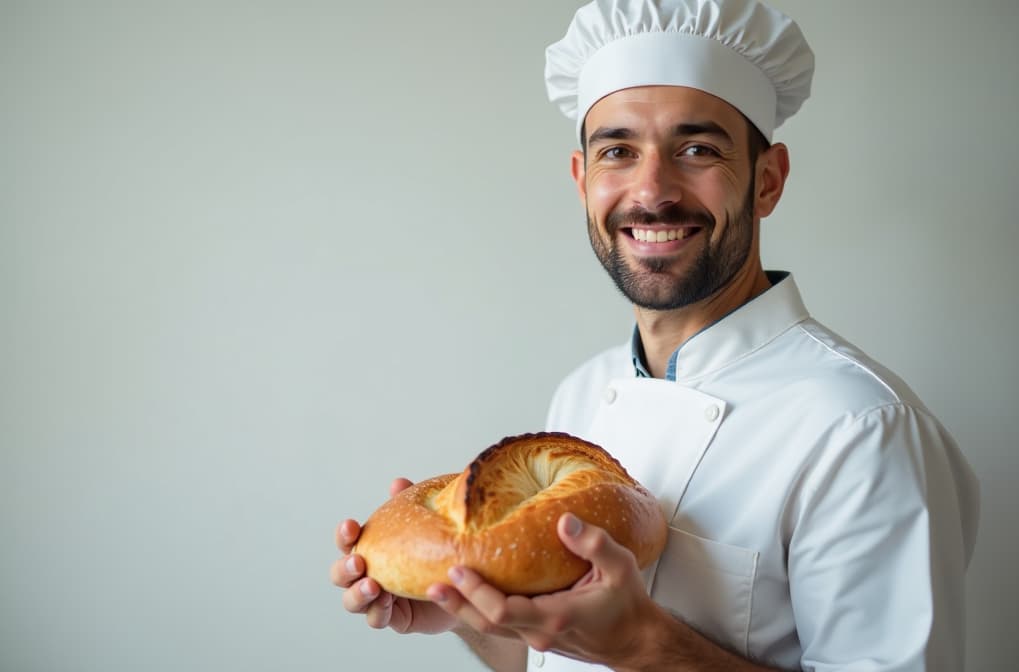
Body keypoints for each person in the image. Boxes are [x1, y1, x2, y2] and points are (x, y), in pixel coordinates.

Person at [331, 0, 980, 669]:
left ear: (768, 180)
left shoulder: (860, 427)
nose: (652, 190)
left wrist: (646, 645)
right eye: (618, 151)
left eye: (696, 149)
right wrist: (462, 606)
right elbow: (557, 660)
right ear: (583, 181)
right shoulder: (582, 393)